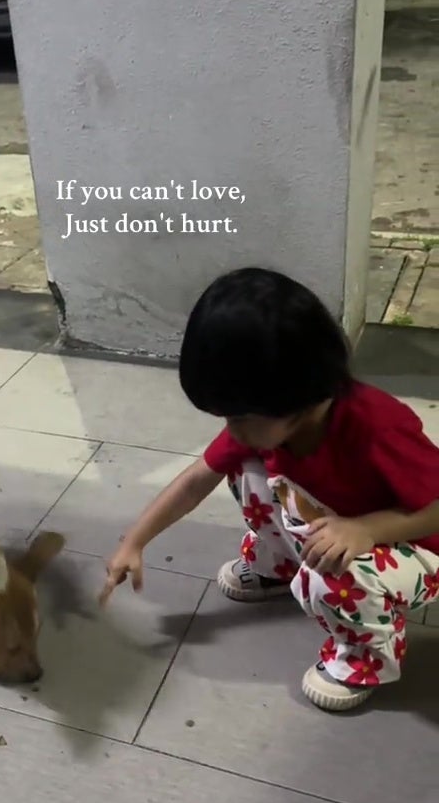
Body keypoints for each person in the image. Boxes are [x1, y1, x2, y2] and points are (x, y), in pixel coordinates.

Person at [99, 267, 439, 712]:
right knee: (245, 467)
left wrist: (368, 530)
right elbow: (195, 480)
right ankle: (276, 566)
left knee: (337, 569)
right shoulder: (267, 425)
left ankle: (362, 661)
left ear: (293, 396)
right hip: (335, 520)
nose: (231, 429)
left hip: (416, 546)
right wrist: (136, 541)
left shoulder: (378, 426)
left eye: (238, 416)